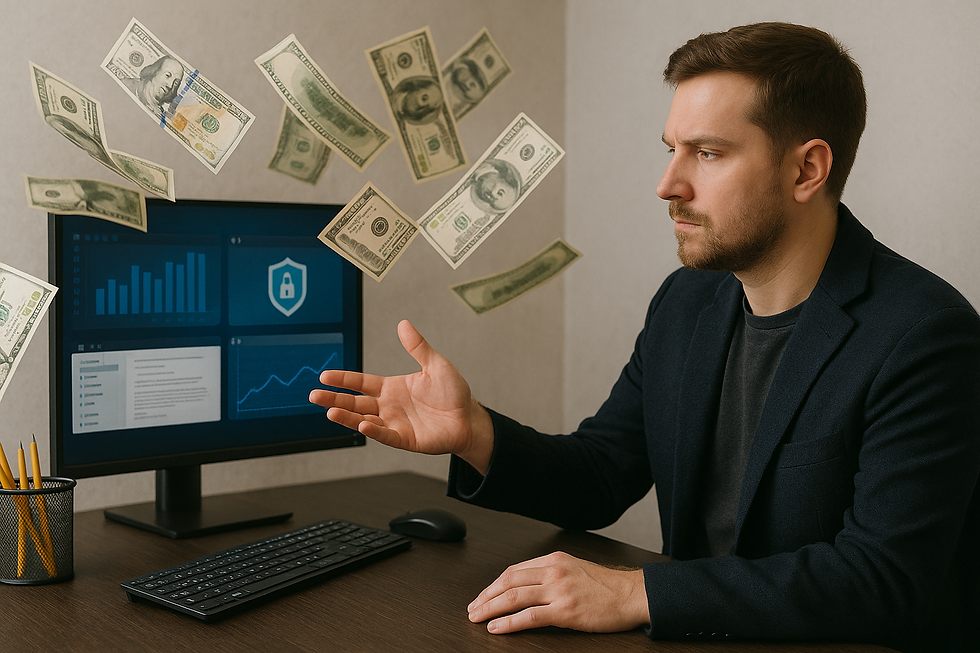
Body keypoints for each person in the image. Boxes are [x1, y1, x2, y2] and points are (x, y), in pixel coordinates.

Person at [309, 22, 980, 652]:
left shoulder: (925, 336)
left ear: (807, 170)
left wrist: (637, 590)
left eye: (708, 154)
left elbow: (882, 578)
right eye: (671, 151)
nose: (668, 185)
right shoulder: (685, 303)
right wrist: (474, 431)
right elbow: (600, 474)